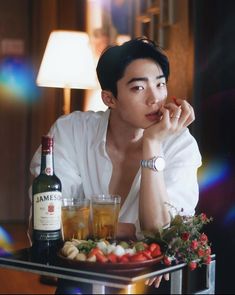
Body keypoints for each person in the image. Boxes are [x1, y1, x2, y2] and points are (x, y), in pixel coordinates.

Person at [29, 37, 201, 293]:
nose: (155, 98)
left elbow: (162, 233)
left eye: (160, 84)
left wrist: (152, 144)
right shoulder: (70, 132)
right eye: (139, 88)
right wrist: (131, 231)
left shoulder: (179, 145)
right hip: (82, 276)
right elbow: (50, 223)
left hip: (149, 280)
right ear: (110, 98)